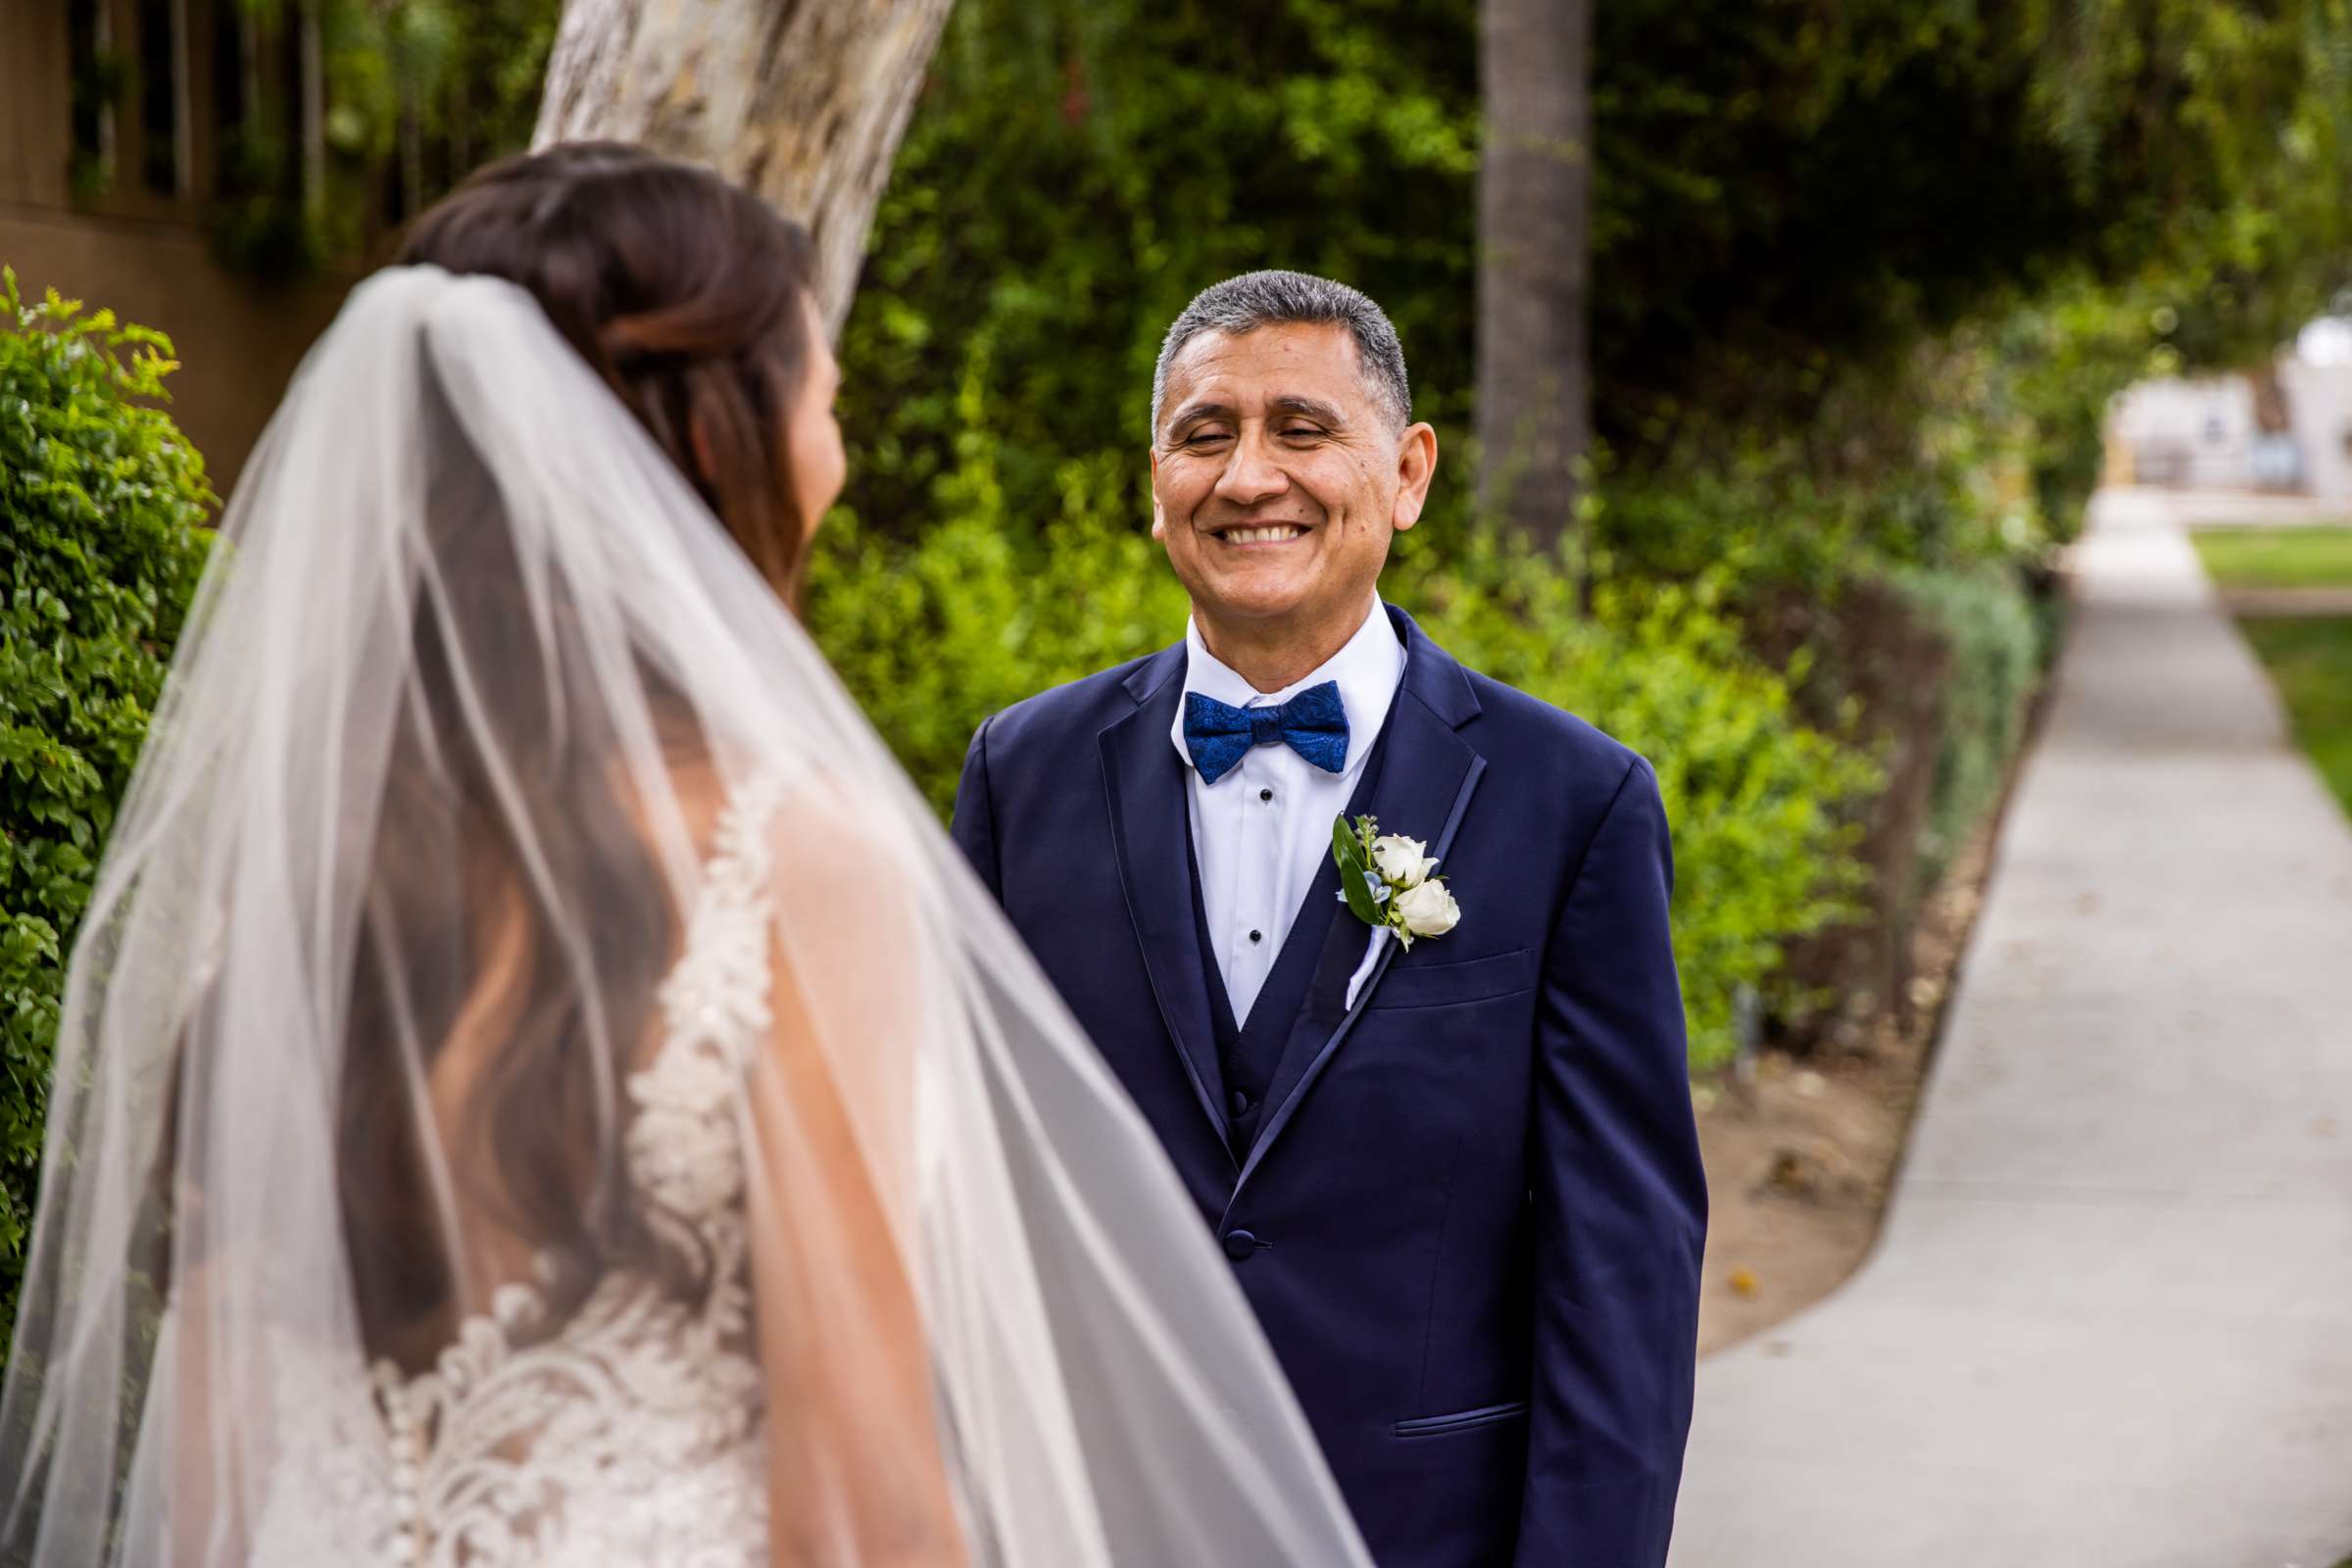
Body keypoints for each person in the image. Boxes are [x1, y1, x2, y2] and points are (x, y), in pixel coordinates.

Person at [0, 148, 1377, 1568]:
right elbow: (862, 1513)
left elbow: (215, 1470)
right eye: (814, 364)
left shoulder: (315, 872)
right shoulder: (785, 861)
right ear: (719, 432)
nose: (835, 398)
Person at [951, 271, 1708, 1568]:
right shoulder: (1023, 775)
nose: (1249, 477)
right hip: (1091, 1518)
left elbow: (1619, 1277)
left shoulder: (1572, 802)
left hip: (1418, 1530)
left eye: (1302, 431)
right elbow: (965, 1186)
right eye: (1205, 435)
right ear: (1155, 481)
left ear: (1407, 473)